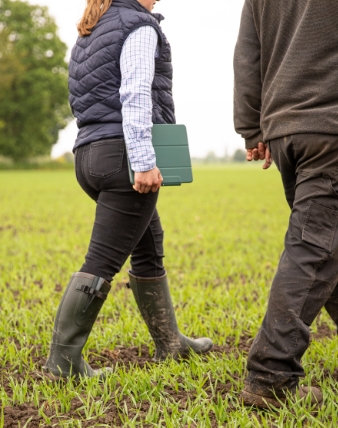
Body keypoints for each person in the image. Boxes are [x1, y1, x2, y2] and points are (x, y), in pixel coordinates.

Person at [43, 0, 213, 379]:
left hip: (89, 155)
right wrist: (143, 159)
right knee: (102, 261)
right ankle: (62, 363)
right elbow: (135, 92)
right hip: (122, 156)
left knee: (149, 244)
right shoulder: (137, 25)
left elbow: (84, 99)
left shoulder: (91, 30)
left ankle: (171, 344)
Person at [234, 0, 338, 409]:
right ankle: (270, 375)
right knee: (313, 248)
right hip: (330, 127)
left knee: (327, 244)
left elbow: (248, 54)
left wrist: (250, 127)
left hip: (286, 133)